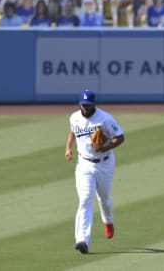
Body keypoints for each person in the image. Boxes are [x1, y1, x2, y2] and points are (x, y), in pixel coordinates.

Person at [65, 89, 125, 255]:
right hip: (83, 164)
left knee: (104, 198)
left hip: (104, 164)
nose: (85, 108)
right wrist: (68, 148)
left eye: (88, 105)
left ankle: (108, 220)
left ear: (94, 104)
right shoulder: (74, 117)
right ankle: (82, 240)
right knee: (85, 199)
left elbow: (120, 137)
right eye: (83, 105)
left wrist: (104, 147)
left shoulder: (105, 119)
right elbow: (73, 131)